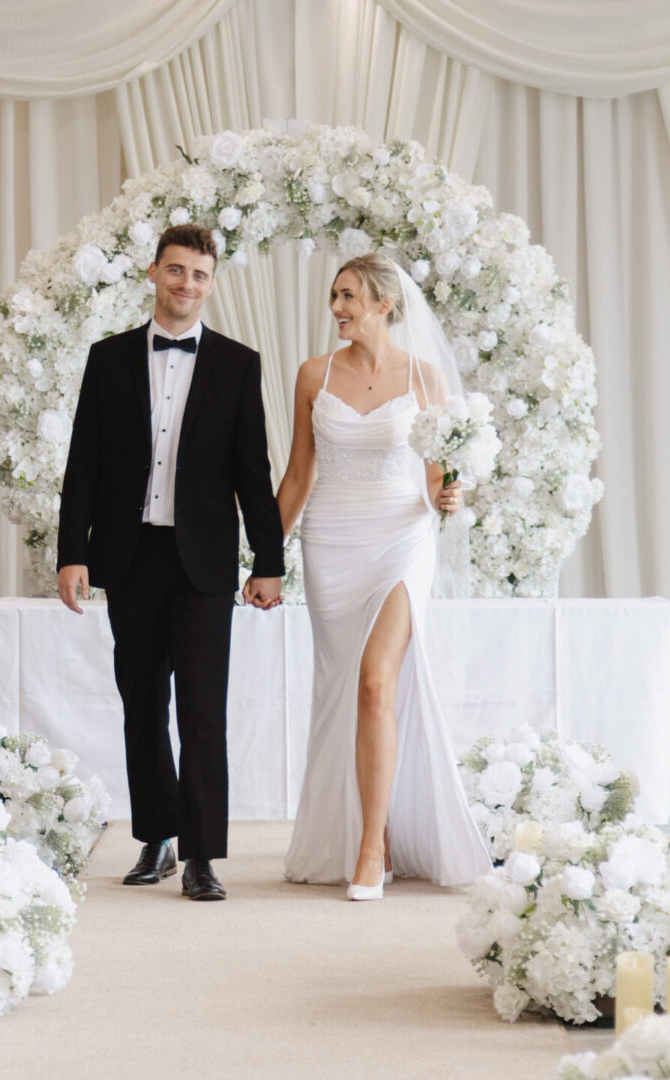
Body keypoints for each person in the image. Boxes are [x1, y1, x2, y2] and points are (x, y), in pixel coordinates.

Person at [55, 224, 285, 902]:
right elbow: (84, 465)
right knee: (143, 704)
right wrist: (74, 553)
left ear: (212, 283)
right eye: (177, 271)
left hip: (205, 563)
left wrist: (267, 560)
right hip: (129, 558)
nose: (188, 284)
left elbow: (254, 470)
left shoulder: (239, 365)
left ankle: (203, 854)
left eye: (200, 275)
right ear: (154, 273)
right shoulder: (109, 358)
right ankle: (155, 838)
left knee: (203, 710)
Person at [276, 252, 490, 900]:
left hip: (402, 537)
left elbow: (437, 477)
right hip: (330, 542)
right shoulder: (314, 375)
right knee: (343, 690)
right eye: (335, 297)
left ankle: (374, 845)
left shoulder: (425, 378)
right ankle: (368, 831)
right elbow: (297, 475)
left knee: (377, 686)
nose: (337, 308)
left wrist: (451, 495)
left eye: (349, 296)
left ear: (384, 304)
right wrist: (261, 557)